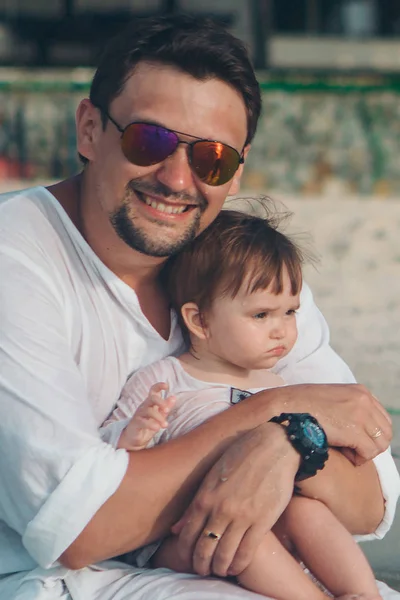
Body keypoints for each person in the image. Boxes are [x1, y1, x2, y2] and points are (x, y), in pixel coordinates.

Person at [0, 13, 399, 600]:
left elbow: (373, 499)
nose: (176, 178)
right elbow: (77, 526)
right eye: (149, 140)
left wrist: (288, 444)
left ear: (236, 172)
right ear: (89, 130)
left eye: (211, 158)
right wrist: (281, 412)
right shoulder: (17, 255)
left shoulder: (245, 271)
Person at [106, 209, 383, 600]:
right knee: (245, 545)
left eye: (290, 312)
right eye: (261, 314)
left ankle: (361, 592)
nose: (282, 329)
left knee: (308, 513)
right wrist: (131, 435)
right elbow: (104, 455)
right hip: (187, 534)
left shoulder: (277, 384)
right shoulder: (165, 379)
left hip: (271, 520)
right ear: (199, 321)